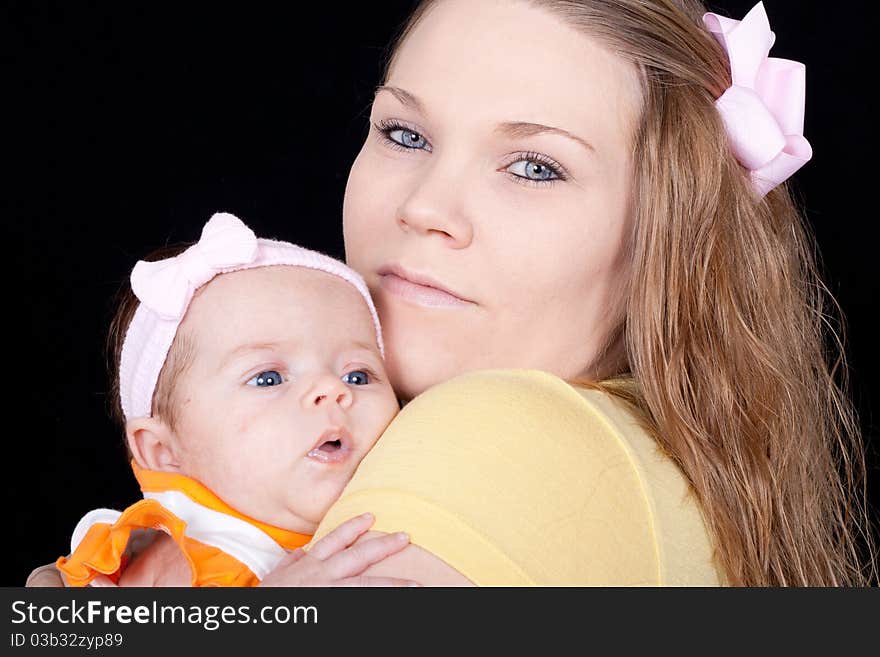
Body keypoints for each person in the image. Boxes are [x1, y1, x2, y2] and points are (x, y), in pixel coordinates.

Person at [30, 0, 876, 587]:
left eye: (535, 166)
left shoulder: (491, 434)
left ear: (666, 237)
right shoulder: (656, 459)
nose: (424, 206)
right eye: (404, 132)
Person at [53, 212, 416, 587]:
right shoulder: (190, 560)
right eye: (268, 378)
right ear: (163, 450)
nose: (331, 388)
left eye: (358, 375)